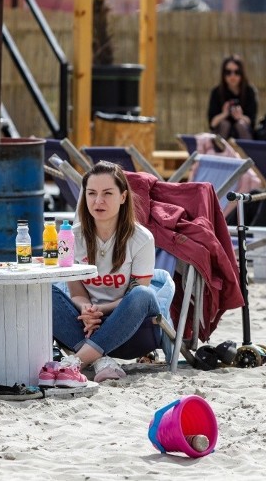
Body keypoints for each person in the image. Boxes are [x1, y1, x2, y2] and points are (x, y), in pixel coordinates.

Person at [49, 161, 160, 384]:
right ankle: (101, 361)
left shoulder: (141, 238)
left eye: (107, 193)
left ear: (123, 197)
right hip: (86, 325)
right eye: (91, 193)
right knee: (43, 291)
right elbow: (77, 292)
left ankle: (76, 362)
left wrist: (99, 309)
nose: (98, 201)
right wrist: (87, 309)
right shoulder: (71, 237)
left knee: (143, 295)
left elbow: (137, 294)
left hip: (132, 332)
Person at [207, 55, 258, 140]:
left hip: (243, 133)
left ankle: (246, 153)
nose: (232, 76)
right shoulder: (216, 92)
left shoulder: (249, 91)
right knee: (225, 124)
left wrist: (240, 116)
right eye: (228, 72)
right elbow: (212, 124)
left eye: (237, 72)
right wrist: (224, 114)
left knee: (241, 124)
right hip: (221, 134)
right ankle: (219, 153)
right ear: (223, 74)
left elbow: (252, 122)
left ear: (242, 74)